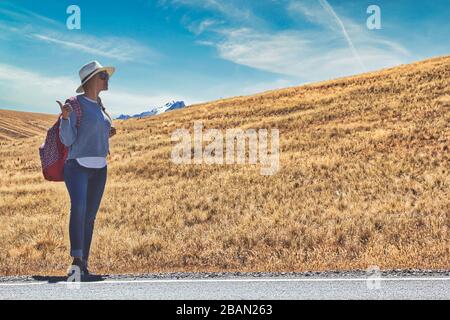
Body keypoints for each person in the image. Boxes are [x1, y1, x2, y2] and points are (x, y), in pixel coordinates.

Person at [57, 60, 116, 279]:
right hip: (77, 166)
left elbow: (92, 131)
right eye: (103, 76)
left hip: (100, 167)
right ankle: (76, 260)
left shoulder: (100, 105)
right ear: (90, 80)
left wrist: (106, 134)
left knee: (90, 216)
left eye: (106, 76)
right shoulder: (74, 103)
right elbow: (68, 139)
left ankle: (85, 263)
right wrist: (65, 118)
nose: (107, 80)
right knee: (79, 209)